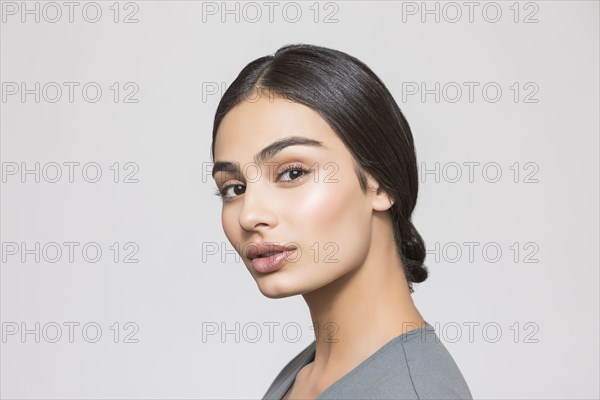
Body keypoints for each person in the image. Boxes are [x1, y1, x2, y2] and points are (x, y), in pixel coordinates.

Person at [210, 43, 473, 400]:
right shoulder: (307, 374)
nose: (250, 214)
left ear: (379, 182)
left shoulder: (411, 391)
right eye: (234, 188)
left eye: (291, 173)